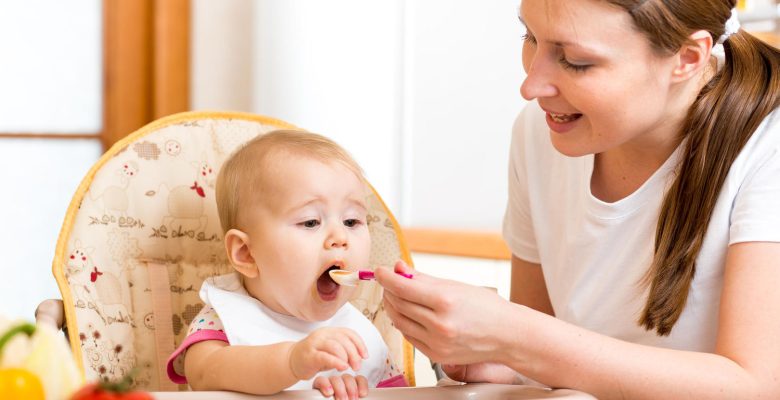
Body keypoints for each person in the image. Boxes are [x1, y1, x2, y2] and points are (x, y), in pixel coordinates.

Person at [376, 0, 780, 398]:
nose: (531, 86)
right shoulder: (543, 133)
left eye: (575, 61)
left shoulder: (768, 146)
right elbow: (547, 352)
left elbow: (756, 385)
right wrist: (499, 359)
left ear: (688, 57)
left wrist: (513, 335)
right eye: (530, 36)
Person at [165, 130, 407, 399]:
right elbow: (204, 375)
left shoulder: (359, 332)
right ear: (246, 253)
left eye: (351, 221)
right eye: (310, 222)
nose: (341, 238)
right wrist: (291, 361)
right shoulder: (226, 317)